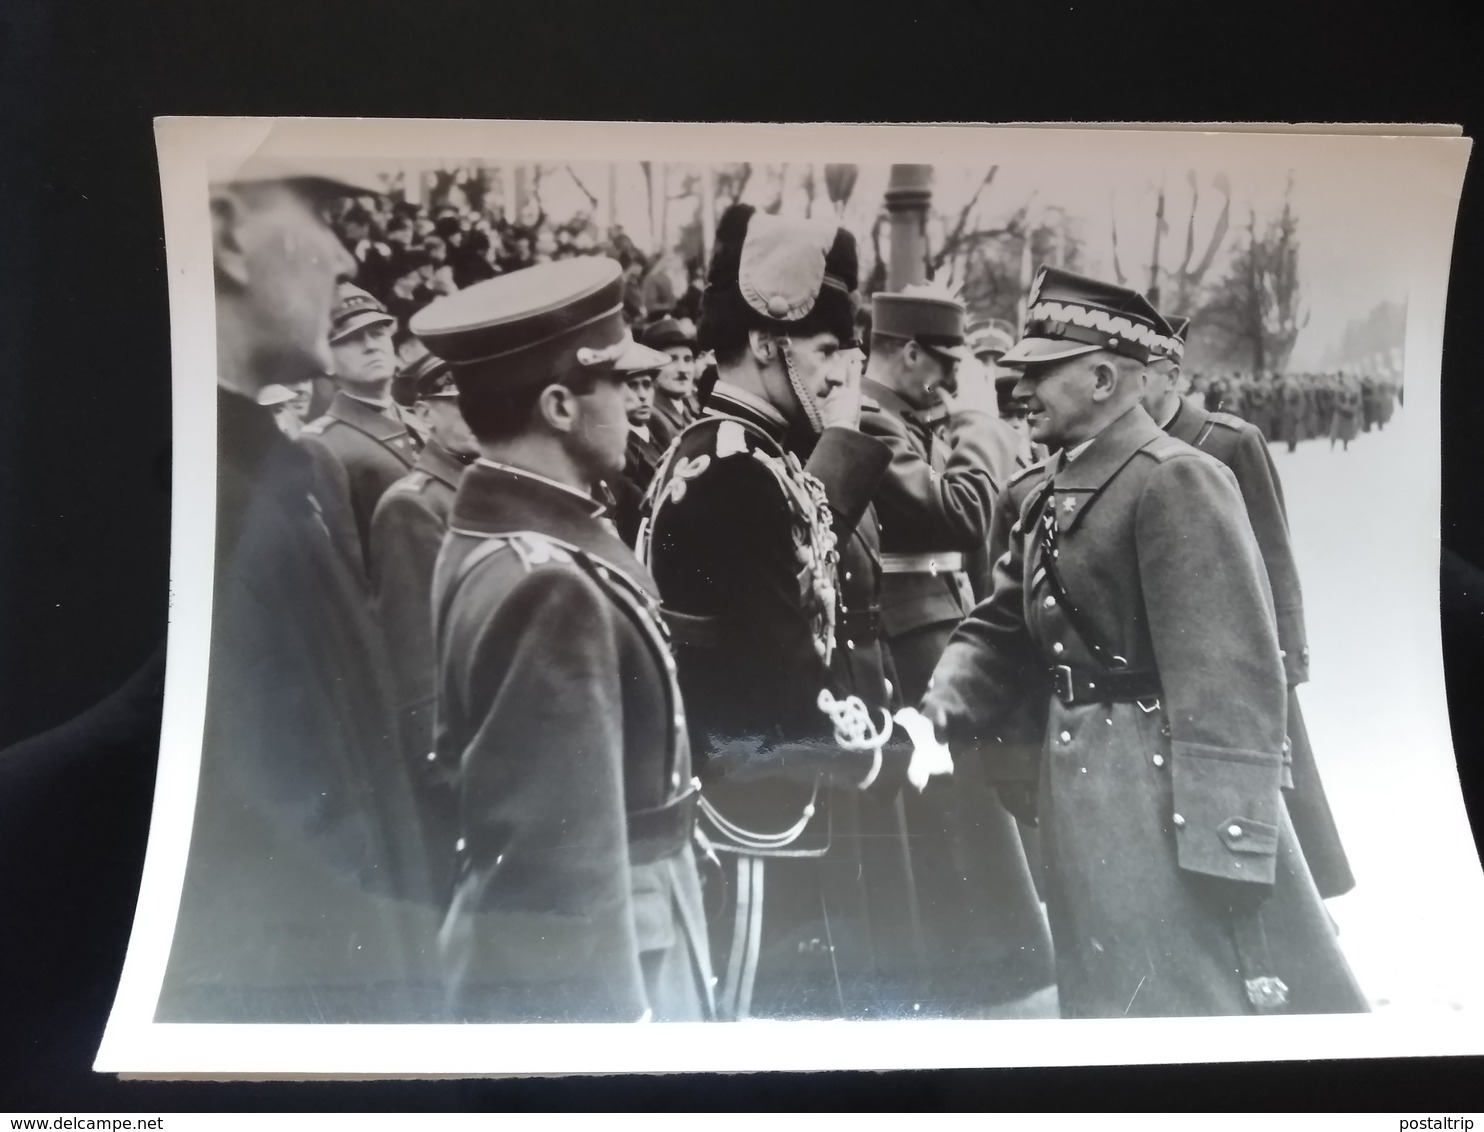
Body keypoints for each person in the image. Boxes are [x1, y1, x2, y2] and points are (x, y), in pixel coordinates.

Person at [920, 266, 1367, 1018]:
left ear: (1102, 377)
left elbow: (1229, 676)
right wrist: (939, 704)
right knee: (1106, 997)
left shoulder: (1178, 481)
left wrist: (1231, 843)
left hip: (1160, 807)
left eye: (1039, 372)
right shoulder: (1045, 491)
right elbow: (1001, 622)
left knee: (1186, 1006)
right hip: (1079, 796)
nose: (1018, 388)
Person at [639, 204, 952, 1021]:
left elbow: (810, 538)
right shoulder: (737, 473)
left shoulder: (735, 451)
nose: (840, 378)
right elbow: (780, 683)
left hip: (770, 802)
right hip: (756, 820)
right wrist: (883, 758)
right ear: (769, 342)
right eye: (825, 353)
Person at [156, 160, 437, 1023]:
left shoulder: (267, 473)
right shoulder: (217, 499)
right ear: (230, 235)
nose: (347, 256)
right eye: (320, 212)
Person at [412, 257, 715, 1023]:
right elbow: (558, 866)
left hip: (623, 917)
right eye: (615, 383)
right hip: (614, 959)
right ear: (558, 405)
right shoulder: (548, 585)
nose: (635, 403)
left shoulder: (501, 539)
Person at [857, 284, 1055, 1014]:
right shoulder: (871, 418)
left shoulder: (902, 412)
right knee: (953, 817)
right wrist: (976, 413)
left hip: (936, 619)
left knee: (963, 817)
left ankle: (987, 964)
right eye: (942, 364)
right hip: (909, 633)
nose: (948, 380)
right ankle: (978, 972)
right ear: (908, 353)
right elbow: (966, 511)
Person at [1143, 316, 1355, 899]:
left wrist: (1288, 656)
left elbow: (1275, 556)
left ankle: (1303, 906)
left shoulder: (1229, 441)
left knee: (1273, 790)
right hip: (1163, 656)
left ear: (1172, 376)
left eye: (1143, 375)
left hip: (1243, 650)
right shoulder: (1119, 448)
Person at [367, 351, 480, 865]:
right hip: (464, 754)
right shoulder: (413, 504)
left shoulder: (488, 488)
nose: (478, 413)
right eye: (458, 403)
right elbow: (418, 659)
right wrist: (442, 774)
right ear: (423, 414)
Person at [299, 282, 426, 571]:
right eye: (352, 338)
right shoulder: (321, 444)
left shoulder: (418, 422)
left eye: (378, 333)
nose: (371, 345)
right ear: (327, 362)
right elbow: (346, 562)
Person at [609, 337, 679, 546]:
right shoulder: (617, 450)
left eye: (647, 385)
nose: (641, 396)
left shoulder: (660, 435)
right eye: (633, 386)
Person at [642, 316, 699, 436]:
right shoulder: (653, 416)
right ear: (652, 367)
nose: (683, 370)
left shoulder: (685, 410)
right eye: (672, 360)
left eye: (687, 359)